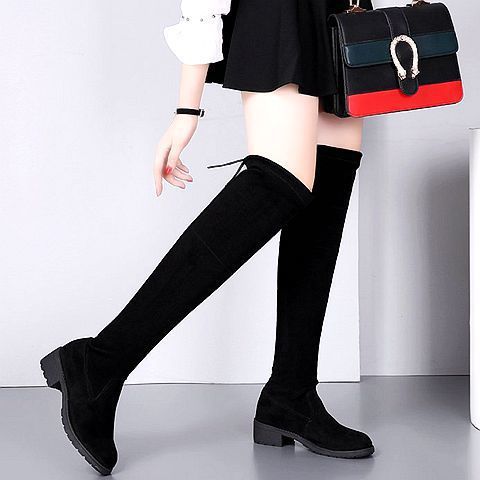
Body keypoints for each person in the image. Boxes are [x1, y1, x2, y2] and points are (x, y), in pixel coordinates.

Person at [40, 0, 375, 474]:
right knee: (280, 180)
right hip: (280, 11)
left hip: (342, 10)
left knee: (331, 178)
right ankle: (99, 362)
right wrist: (187, 105)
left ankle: (291, 393)